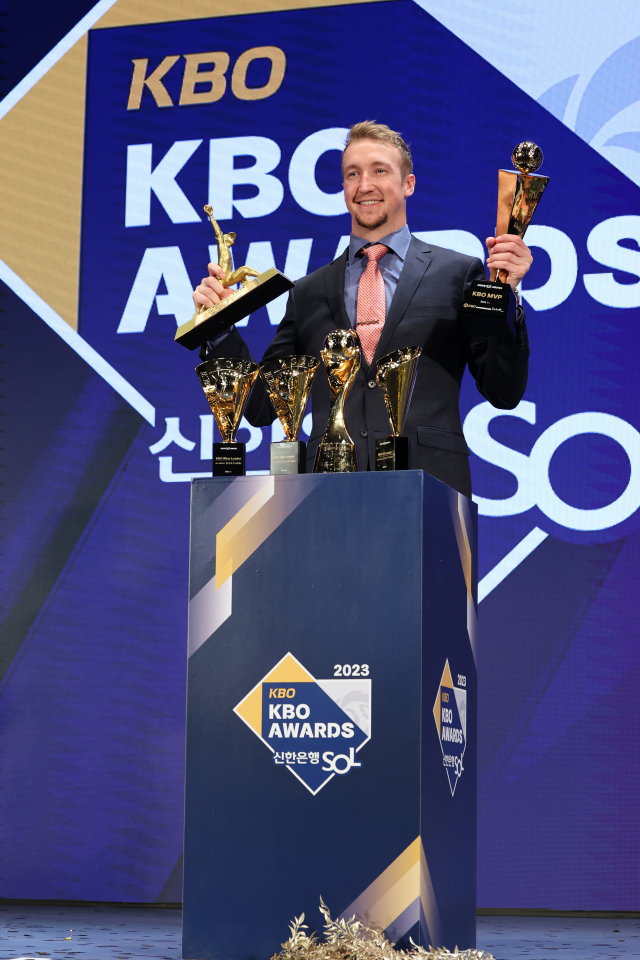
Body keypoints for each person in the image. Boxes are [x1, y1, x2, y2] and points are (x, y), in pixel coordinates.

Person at [193, 121, 533, 496]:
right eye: (352, 174)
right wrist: (219, 326)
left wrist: (509, 297)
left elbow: (503, 390)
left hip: (430, 489)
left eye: (379, 171)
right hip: (329, 496)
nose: (364, 185)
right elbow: (260, 406)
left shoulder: (456, 273)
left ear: (408, 184)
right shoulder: (307, 292)